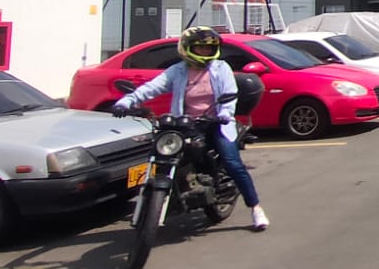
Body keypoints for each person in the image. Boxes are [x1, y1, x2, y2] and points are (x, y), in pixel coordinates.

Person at [114, 26, 269, 231]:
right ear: (187, 48)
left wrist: (225, 113)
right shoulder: (178, 70)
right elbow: (153, 87)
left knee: (232, 163)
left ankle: (256, 208)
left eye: (208, 48)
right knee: (166, 155)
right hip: (185, 124)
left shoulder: (221, 68)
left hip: (217, 122)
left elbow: (229, 93)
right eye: (200, 47)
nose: (205, 51)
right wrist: (128, 101)